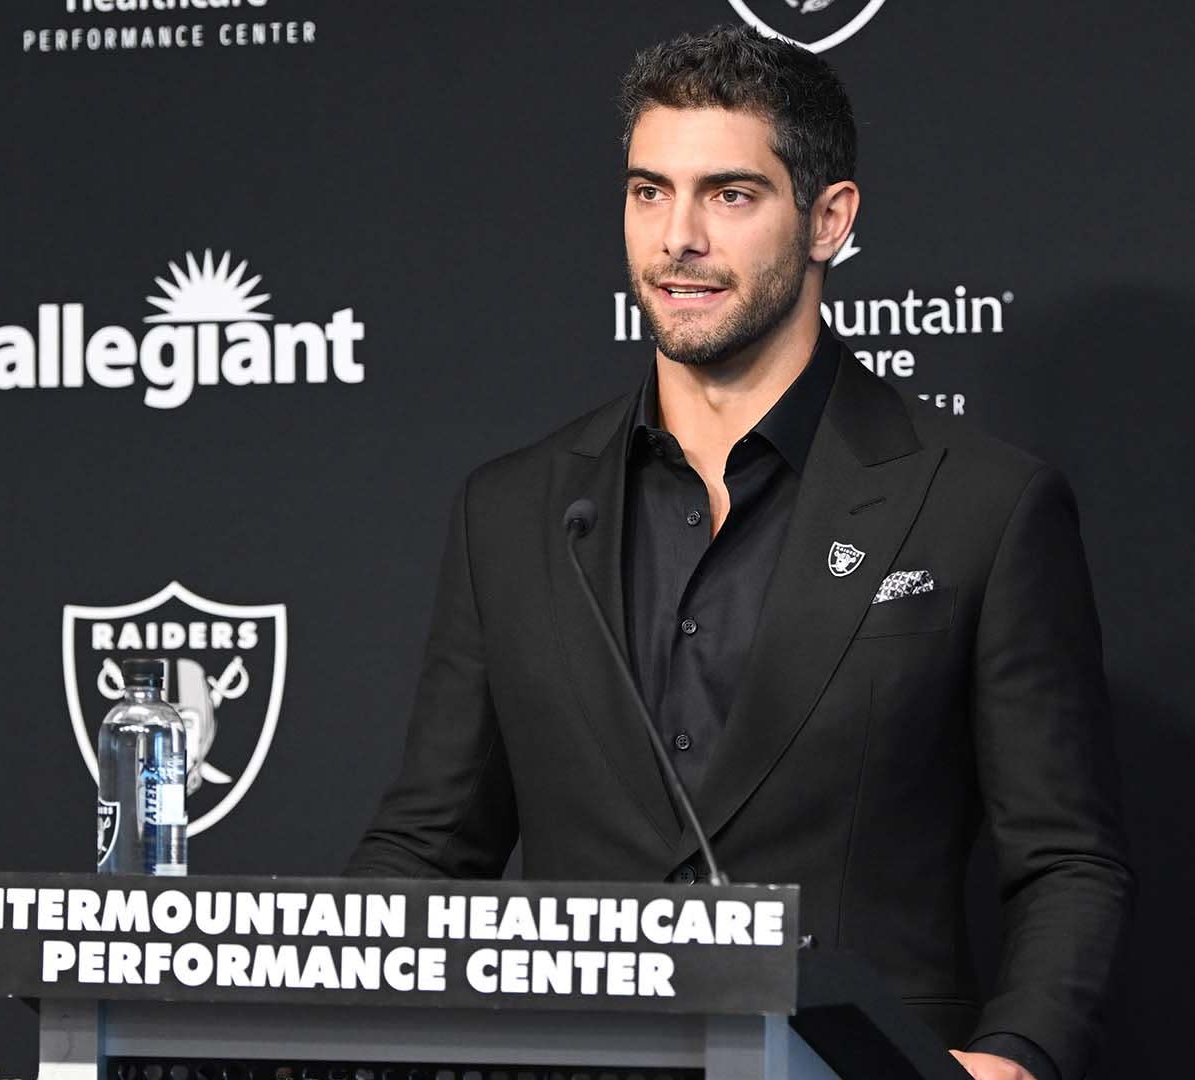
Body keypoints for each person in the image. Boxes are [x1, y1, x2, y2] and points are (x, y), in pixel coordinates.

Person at [346, 25, 1133, 1080]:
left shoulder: (984, 505)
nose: (677, 238)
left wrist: (1016, 1056)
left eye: (729, 194)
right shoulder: (515, 509)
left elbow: (1067, 860)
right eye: (647, 192)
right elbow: (428, 848)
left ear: (829, 220)